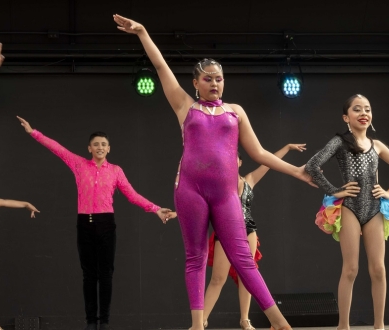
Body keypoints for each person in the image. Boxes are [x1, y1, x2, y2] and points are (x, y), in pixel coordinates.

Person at [113, 14, 316, 330]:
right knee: (195, 258)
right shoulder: (185, 106)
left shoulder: (235, 112)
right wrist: (142, 33)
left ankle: (280, 324)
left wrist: (296, 171)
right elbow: (162, 68)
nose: (214, 83)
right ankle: (197, 325)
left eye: (219, 78)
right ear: (195, 83)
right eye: (207, 79)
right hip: (190, 191)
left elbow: (259, 153)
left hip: (226, 194)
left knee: (244, 260)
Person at [17, 116, 174, 330]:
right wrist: (32, 132)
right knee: (89, 275)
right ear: (89, 148)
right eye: (96, 144)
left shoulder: (116, 171)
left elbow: (132, 195)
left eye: (103, 144)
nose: (100, 147)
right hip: (85, 225)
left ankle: (104, 322)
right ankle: (91, 322)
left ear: (108, 149)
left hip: (106, 225)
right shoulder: (78, 164)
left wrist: (155, 209)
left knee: (106, 275)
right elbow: (57, 148)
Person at [305, 94, 389, 330]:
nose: (363, 113)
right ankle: (343, 326)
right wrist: (335, 190)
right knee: (351, 269)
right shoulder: (339, 142)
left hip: (374, 208)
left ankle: (379, 326)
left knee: (379, 269)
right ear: (346, 117)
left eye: (367, 109)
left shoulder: (378, 145)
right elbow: (312, 165)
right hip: (350, 207)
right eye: (357, 109)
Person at [203, 144, 306, 330]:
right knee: (218, 278)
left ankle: (245, 320)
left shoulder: (249, 179)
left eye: (233, 157)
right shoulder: (217, 184)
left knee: (247, 277)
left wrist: (287, 148)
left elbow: (268, 163)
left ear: (240, 161)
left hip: (248, 230)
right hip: (225, 232)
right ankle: (201, 321)